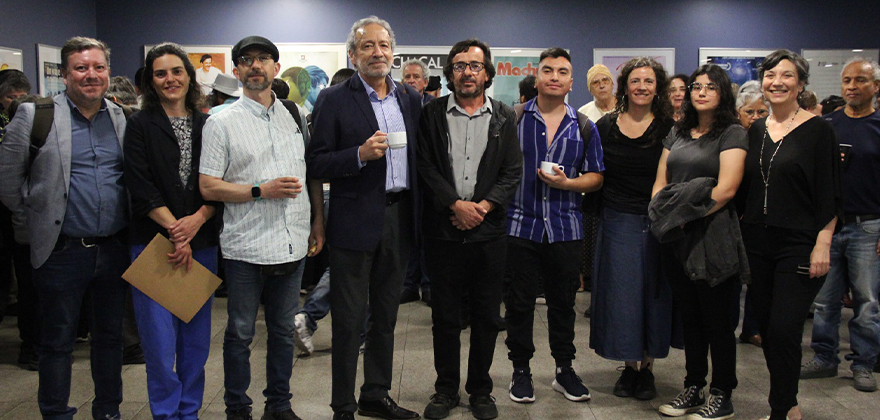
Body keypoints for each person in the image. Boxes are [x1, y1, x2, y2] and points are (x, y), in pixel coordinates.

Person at [0, 36, 129, 420]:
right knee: (56, 343)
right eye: (81, 68)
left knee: (110, 340)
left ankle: (108, 411)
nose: (91, 75)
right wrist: (33, 225)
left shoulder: (120, 117)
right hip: (62, 252)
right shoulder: (35, 115)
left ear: (108, 71)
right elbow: (8, 181)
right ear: (66, 73)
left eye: (98, 67)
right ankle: (56, 413)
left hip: (113, 250)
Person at [306, 16, 422, 420]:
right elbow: (316, 161)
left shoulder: (409, 97)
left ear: (394, 52)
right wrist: (357, 154)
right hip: (353, 221)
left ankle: (376, 393)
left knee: (386, 317)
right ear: (353, 55)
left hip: (399, 217)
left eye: (384, 46)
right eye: (367, 46)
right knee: (349, 321)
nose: (377, 53)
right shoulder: (334, 98)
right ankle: (342, 406)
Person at [199, 35, 319, 420]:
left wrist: (317, 221)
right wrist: (260, 190)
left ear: (275, 68)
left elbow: (309, 173)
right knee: (240, 334)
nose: (256, 66)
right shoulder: (221, 123)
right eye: (247, 60)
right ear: (236, 71)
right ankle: (238, 408)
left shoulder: (294, 115)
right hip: (245, 247)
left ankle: (279, 406)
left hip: (291, 243)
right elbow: (208, 186)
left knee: (283, 331)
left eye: (264, 59)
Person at [417, 38, 523, 420]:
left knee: (486, 315)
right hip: (444, 230)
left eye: (474, 66)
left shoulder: (505, 117)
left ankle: (480, 390)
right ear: (449, 74)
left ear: (487, 73)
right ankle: (445, 389)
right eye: (459, 65)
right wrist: (454, 204)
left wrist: (483, 206)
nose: (467, 72)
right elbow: (425, 166)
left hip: (488, 231)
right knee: (444, 316)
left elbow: (513, 172)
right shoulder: (430, 115)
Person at [736, 49, 840, 420]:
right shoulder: (758, 129)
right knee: (765, 326)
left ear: (800, 84)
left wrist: (823, 242)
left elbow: (829, 192)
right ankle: (789, 403)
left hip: (798, 242)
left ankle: (781, 410)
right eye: (770, 75)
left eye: (786, 75)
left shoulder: (818, 130)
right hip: (757, 241)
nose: (776, 82)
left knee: (784, 328)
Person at [123, 42, 219, 420]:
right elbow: (140, 184)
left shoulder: (208, 123)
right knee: (160, 345)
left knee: (195, 344)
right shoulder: (138, 125)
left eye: (177, 71)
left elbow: (219, 182)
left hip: (203, 242)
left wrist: (198, 220)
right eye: (160, 73)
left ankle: (189, 411)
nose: (170, 79)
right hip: (153, 246)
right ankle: (165, 413)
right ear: (150, 80)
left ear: (189, 76)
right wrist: (177, 233)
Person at [504, 48, 603, 404]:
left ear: (571, 82)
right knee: (519, 303)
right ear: (537, 77)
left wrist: (569, 184)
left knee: (563, 303)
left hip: (565, 227)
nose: (555, 77)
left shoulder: (584, 125)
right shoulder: (513, 118)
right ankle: (521, 370)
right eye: (548, 71)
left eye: (562, 72)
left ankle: (564, 369)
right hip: (519, 226)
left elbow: (596, 177)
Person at [652, 64, 749, 420]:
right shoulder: (678, 131)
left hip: (712, 235)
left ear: (723, 93)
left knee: (717, 319)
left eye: (710, 86)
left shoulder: (732, 132)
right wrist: (661, 215)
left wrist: (677, 214)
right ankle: (694, 386)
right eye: (696, 86)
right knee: (690, 316)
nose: (701, 91)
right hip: (675, 237)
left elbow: (725, 190)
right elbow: (660, 181)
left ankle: (723, 393)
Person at [590, 56, 675, 402]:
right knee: (622, 298)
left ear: (658, 88)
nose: (642, 87)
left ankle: (649, 368)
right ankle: (628, 366)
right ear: (624, 86)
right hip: (617, 220)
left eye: (649, 81)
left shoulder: (670, 127)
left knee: (655, 295)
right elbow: (594, 171)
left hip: (659, 223)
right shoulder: (605, 126)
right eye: (635, 81)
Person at [801, 57, 880, 393]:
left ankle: (863, 364)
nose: (851, 86)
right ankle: (824, 357)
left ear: (875, 86)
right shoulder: (827, 125)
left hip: (869, 226)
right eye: (847, 80)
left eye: (860, 80)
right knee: (824, 299)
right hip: (829, 227)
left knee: (866, 302)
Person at [733, 80, 768, 347]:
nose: (755, 117)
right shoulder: (733, 137)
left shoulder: (770, 140)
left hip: (759, 219)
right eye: (750, 112)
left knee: (757, 279)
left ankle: (752, 327)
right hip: (732, 217)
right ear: (738, 113)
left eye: (761, 112)